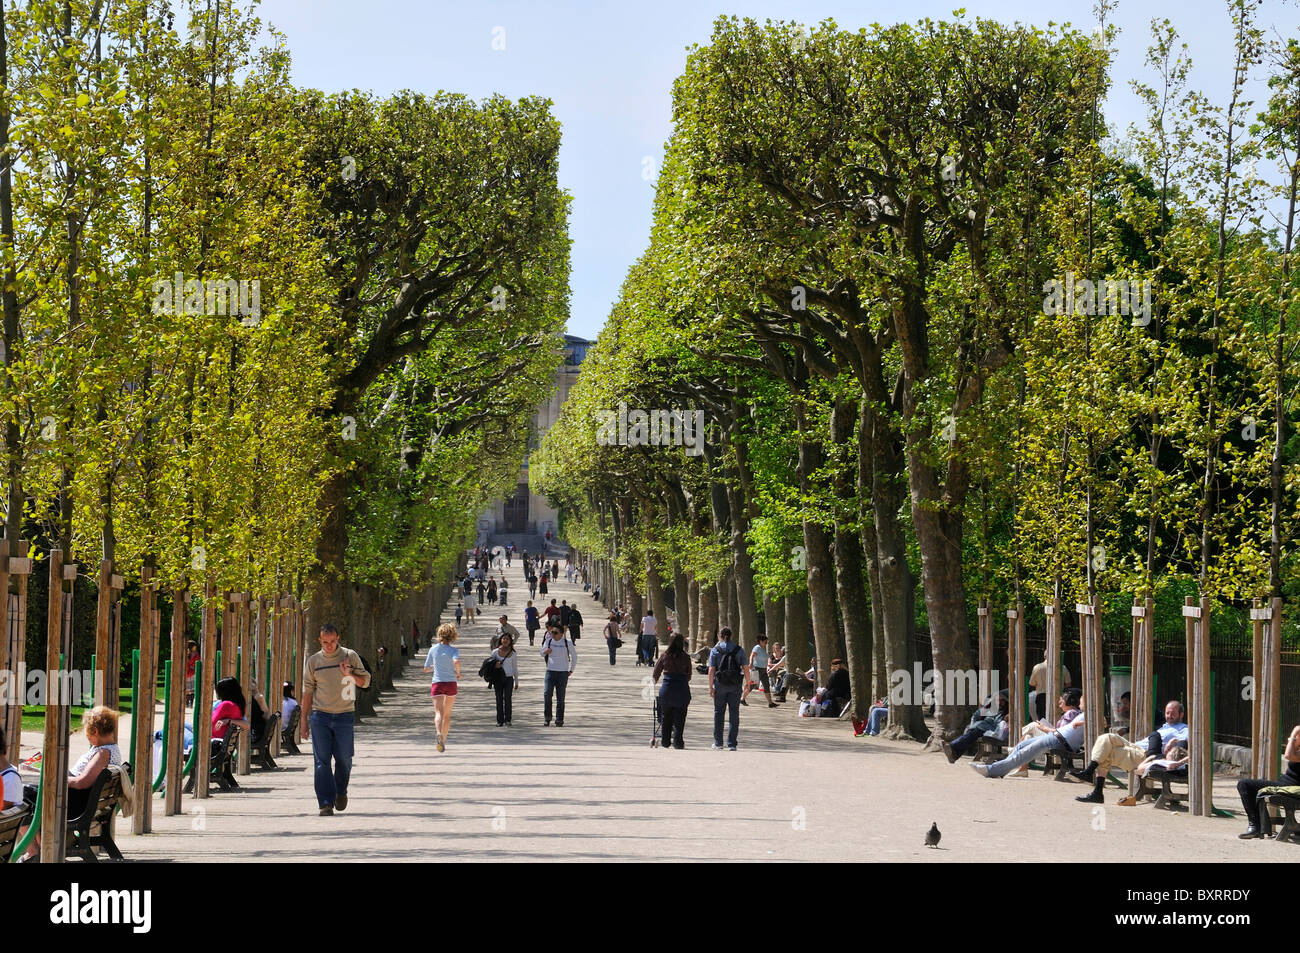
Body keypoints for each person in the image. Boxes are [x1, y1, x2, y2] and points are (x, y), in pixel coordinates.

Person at [21, 706, 123, 860]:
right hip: (81, 800)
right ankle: (40, 849)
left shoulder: (103, 753)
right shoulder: (110, 749)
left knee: (22, 796)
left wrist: (53, 779)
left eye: (87, 733)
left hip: (74, 804)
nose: (87, 737)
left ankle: (38, 850)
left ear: (95, 731)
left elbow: (82, 782)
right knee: (28, 793)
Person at [301, 624, 371, 816]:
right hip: (320, 716)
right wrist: (304, 720)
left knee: (344, 759)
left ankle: (341, 791)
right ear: (319, 641)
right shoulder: (313, 661)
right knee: (321, 761)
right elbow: (308, 691)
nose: (329, 645)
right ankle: (325, 803)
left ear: (338, 638)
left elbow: (366, 681)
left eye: (332, 641)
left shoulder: (350, 656)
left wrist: (350, 674)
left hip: (344, 715)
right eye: (325, 642)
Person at [1071, 700, 1191, 803]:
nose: (1169, 715)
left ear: (1181, 715)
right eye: (1167, 713)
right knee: (1105, 739)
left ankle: (1094, 784)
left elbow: (1185, 742)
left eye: (1173, 713)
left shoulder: (1184, 729)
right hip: (1134, 747)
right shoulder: (1165, 726)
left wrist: (1172, 742)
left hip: (1144, 754)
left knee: (1105, 748)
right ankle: (1093, 783)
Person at [972, 690, 1085, 779]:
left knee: (1024, 753)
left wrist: (1080, 722)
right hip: (1056, 737)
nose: (1080, 703)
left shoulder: (1086, 714)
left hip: (1059, 740)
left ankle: (992, 770)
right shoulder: (1082, 714)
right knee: (1022, 745)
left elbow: (1103, 721)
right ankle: (1002, 769)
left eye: (1082, 701)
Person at [1236, 722, 1300, 838]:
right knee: (1247, 785)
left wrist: (1294, 733)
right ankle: (1258, 826)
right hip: (1286, 784)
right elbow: (1293, 749)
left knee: (1244, 784)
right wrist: (1295, 738)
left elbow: (1288, 755)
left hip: (1291, 787)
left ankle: (1255, 826)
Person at [708, 626, 750, 751]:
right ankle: (731, 744)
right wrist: (747, 683)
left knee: (718, 713)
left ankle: (718, 743)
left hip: (720, 684)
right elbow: (746, 668)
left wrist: (710, 686)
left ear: (720, 636)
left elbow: (711, 670)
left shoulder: (715, 650)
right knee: (734, 713)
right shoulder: (739, 649)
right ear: (731, 636)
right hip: (735, 684)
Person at [424, 623, 461, 753]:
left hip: (437, 683)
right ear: (452, 636)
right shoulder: (454, 650)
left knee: (438, 712)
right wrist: (458, 673)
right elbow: (456, 662)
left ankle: (438, 732)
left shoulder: (433, 649)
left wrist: (435, 667)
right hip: (451, 683)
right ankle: (443, 740)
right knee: (447, 715)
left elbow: (426, 668)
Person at [941, 695, 1009, 761]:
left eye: (1002, 700)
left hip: (989, 731)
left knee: (971, 735)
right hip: (981, 727)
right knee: (970, 734)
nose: (1000, 702)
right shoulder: (990, 709)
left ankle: (952, 747)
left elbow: (999, 726)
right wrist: (973, 725)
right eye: (998, 700)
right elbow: (975, 715)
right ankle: (953, 753)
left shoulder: (1005, 713)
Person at [654, 633, 693, 749]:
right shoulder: (686, 657)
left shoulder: (664, 655)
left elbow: (656, 672)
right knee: (680, 717)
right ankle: (678, 742)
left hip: (667, 689)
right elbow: (689, 675)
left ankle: (665, 741)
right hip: (681, 689)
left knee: (666, 716)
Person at [540, 622, 577, 727]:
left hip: (562, 673)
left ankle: (559, 719)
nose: (553, 634)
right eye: (552, 632)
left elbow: (574, 656)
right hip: (550, 672)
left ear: (561, 633)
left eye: (555, 632)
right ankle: (547, 718)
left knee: (560, 698)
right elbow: (541, 653)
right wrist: (546, 651)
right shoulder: (548, 641)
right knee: (547, 694)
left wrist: (571, 670)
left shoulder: (567, 642)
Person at [1028, 649, 1072, 720]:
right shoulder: (1063, 668)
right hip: (1058, 696)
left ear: (1044, 656)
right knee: (1057, 719)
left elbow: (1032, 683)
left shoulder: (1037, 667)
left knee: (1042, 719)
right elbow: (1068, 683)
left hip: (1041, 696)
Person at [491, 632, 519, 727]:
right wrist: (495, 665)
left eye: (507, 639)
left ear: (510, 641)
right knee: (499, 699)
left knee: (508, 699)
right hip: (498, 679)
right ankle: (500, 720)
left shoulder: (513, 653)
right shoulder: (495, 652)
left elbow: (515, 668)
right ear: (501, 640)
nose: (505, 640)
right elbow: (490, 665)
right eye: (504, 639)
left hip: (509, 679)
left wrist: (516, 681)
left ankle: (508, 720)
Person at [743, 634, 778, 708]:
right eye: (765, 641)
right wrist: (751, 663)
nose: (766, 643)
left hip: (763, 670)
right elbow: (752, 655)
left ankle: (770, 703)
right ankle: (742, 699)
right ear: (761, 641)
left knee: (766, 685)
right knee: (752, 685)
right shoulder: (757, 648)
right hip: (757, 669)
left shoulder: (763, 649)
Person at [184, 640, 200, 706]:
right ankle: (187, 702)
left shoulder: (196, 654)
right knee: (187, 689)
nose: (195, 648)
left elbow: (197, 660)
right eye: (194, 647)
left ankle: (191, 702)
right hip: (188, 673)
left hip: (193, 673)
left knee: (192, 688)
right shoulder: (187, 653)